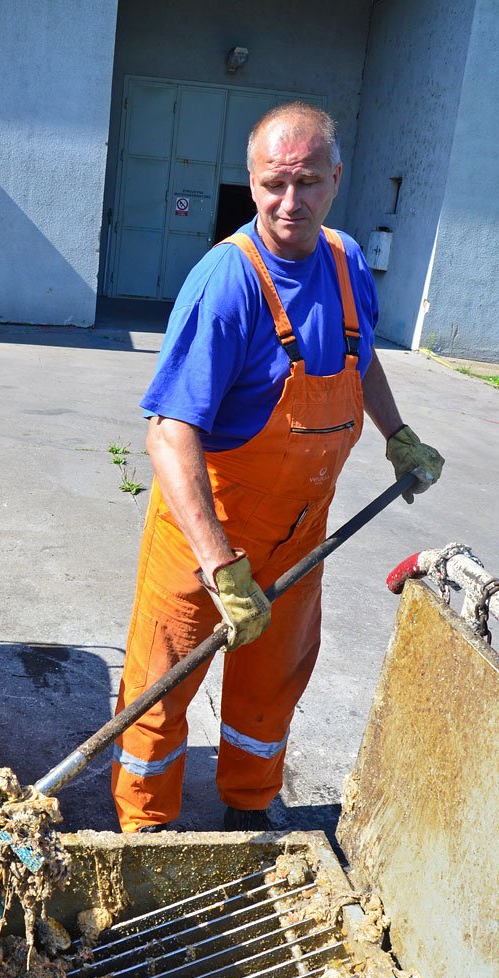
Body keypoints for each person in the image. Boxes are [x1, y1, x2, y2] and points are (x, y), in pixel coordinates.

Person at [111, 102, 444, 834]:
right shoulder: (225, 283)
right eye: (273, 184)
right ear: (251, 181)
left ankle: (248, 809)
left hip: (299, 532)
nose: (289, 203)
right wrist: (218, 565)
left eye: (308, 183)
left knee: (273, 685)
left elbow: (360, 360)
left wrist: (399, 435)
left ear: (335, 180)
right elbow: (169, 434)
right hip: (208, 534)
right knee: (160, 691)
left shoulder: (347, 260)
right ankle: (142, 833)